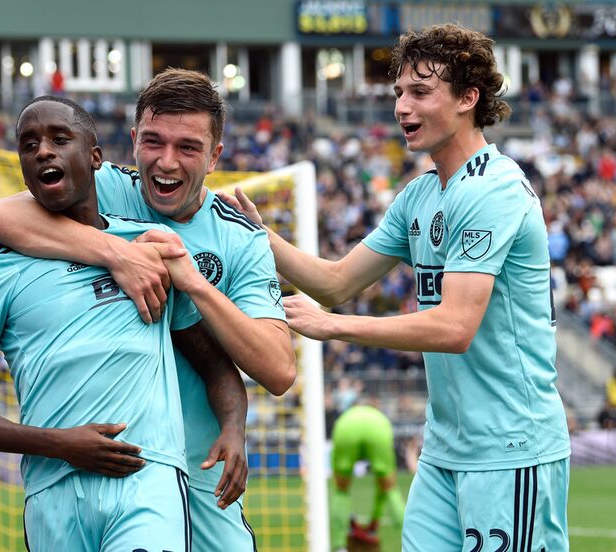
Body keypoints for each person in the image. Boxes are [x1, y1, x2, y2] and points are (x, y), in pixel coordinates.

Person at [223, 24, 571, 551]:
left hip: (510, 449)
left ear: (468, 99)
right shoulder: (419, 195)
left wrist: (333, 328)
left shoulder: (494, 190)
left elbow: (454, 327)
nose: (402, 108)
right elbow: (336, 282)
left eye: (420, 92)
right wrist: (258, 236)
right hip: (444, 452)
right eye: (398, 94)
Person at [0, 69, 297, 551]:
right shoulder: (107, 186)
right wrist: (116, 253)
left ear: (214, 157)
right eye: (153, 142)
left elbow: (277, 369)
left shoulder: (241, 238)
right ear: (132, 141)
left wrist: (195, 285)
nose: (166, 162)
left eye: (188, 147)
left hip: (201, 465)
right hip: (125, 464)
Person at [329, 404, 404, 550]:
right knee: (389, 487)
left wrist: (351, 520)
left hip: (346, 428)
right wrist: (375, 520)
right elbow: (382, 488)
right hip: (378, 428)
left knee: (341, 489)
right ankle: (408, 536)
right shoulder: (379, 418)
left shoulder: (346, 417)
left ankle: (339, 547)